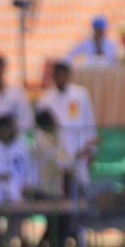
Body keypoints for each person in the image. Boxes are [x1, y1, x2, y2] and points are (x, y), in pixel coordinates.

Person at [36, 61, 98, 192]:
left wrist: (92, 150)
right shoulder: (45, 98)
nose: (62, 79)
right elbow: (41, 130)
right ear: (54, 76)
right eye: (59, 75)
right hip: (56, 153)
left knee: (82, 187)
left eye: (64, 75)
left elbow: (89, 122)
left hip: (79, 149)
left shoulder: (81, 94)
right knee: (58, 189)